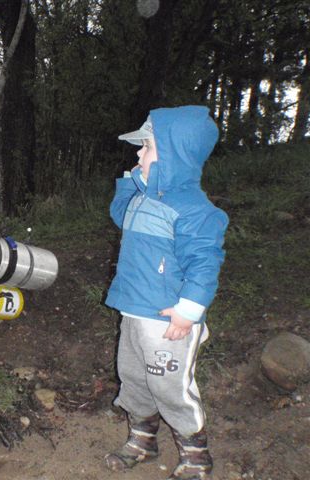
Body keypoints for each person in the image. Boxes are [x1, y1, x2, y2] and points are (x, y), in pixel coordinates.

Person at [103, 105, 229, 480]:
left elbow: (205, 263)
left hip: (169, 321)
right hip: (134, 311)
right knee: (134, 378)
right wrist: (132, 181)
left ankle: (196, 455)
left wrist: (188, 312)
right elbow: (119, 216)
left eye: (147, 147)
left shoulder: (195, 211)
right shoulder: (145, 198)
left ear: (175, 155)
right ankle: (143, 440)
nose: (139, 153)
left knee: (170, 386)